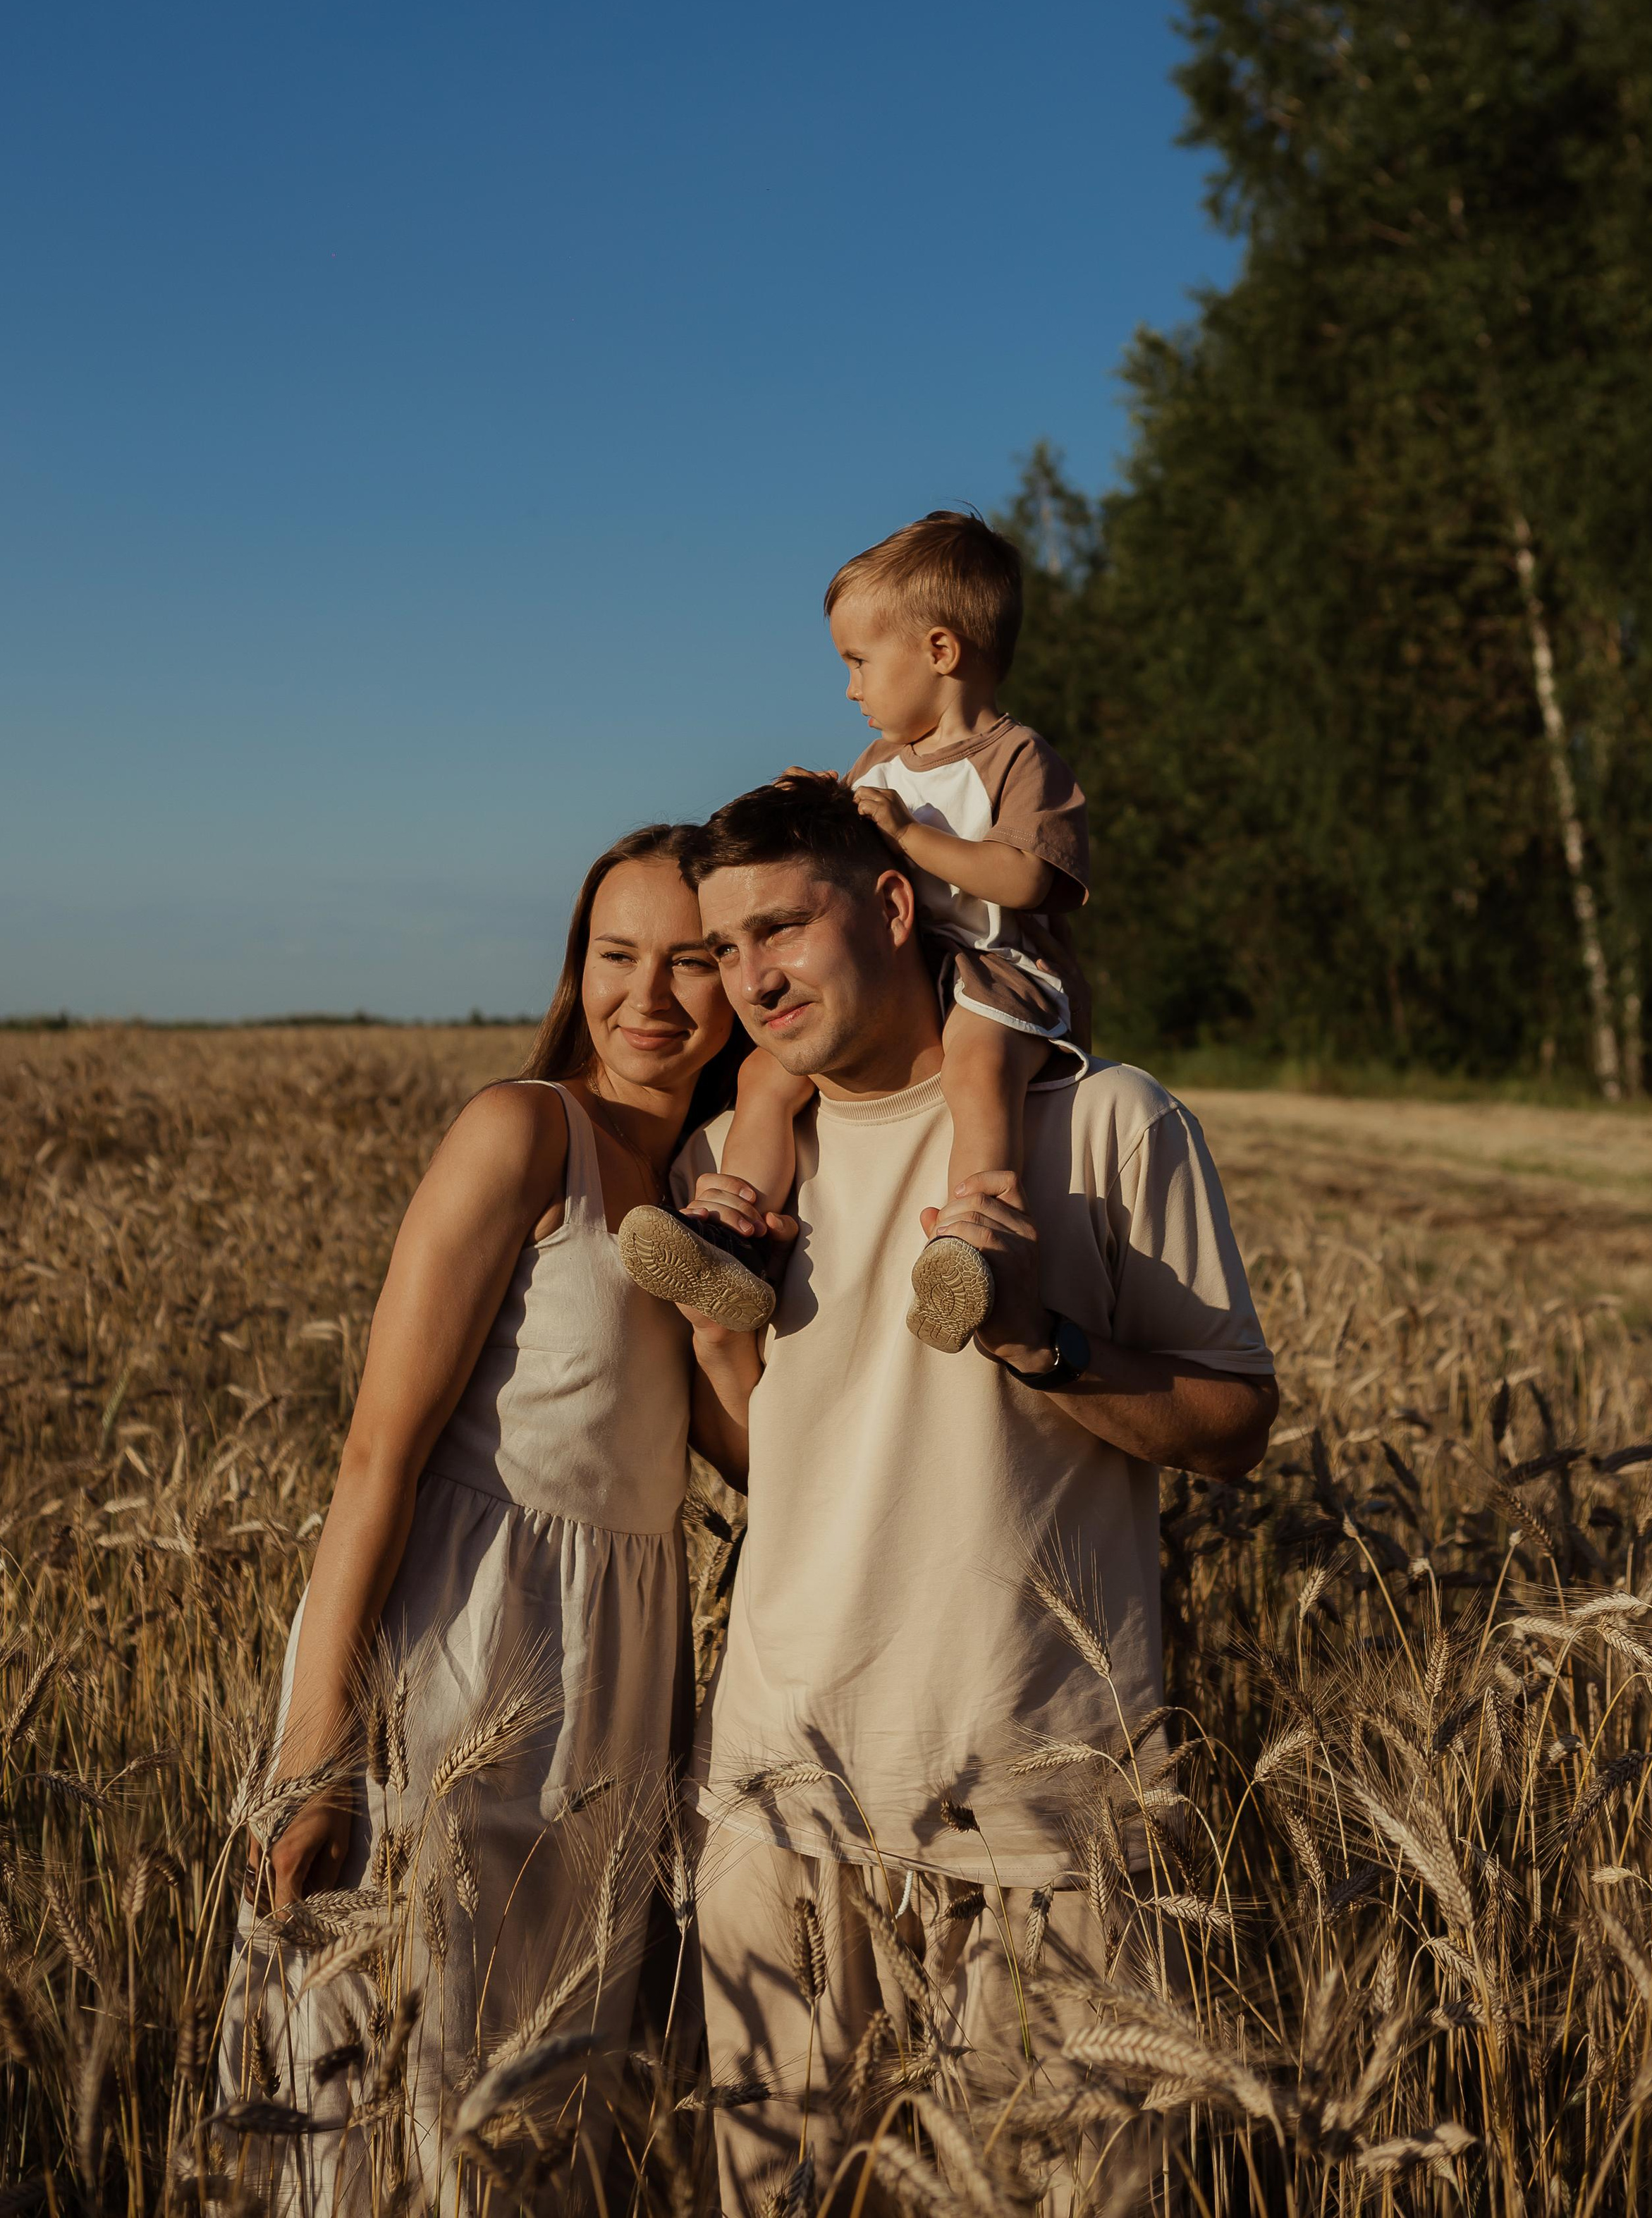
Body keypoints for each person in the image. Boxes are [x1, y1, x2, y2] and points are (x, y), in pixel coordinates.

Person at [659, 776, 1278, 2214]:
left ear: (890, 904)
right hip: (779, 1807)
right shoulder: (735, 1176)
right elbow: (788, 1468)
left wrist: (1041, 1344)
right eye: (725, 949)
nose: (751, 978)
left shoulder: (1105, 1125)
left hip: (1042, 1821)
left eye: (780, 928)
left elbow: (1235, 1424)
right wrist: (714, 1342)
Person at [216, 825, 766, 2213]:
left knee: (538, 2099)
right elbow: (376, 1454)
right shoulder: (525, 1132)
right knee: (392, 2072)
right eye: (616, 956)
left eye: (691, 961)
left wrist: (726, 1291)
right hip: (457, 1652)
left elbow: (753, 1453)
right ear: (577, 966)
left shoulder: (718, 1179)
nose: (647, 996)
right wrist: (316, 1747)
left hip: (617, 1675)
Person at [618, 510, 1091, 1355]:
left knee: (977, 1069)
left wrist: (908, 835)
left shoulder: (1016, 758)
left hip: (997, 973)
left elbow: (1029, 877)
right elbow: (843, 859)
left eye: (859, 661)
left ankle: (974, 1239)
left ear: (939, 652)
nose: (849, 689)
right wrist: (812, 803)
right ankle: (736, 1233)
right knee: (765, 1074)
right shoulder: (880, 764)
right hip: (907, 970)